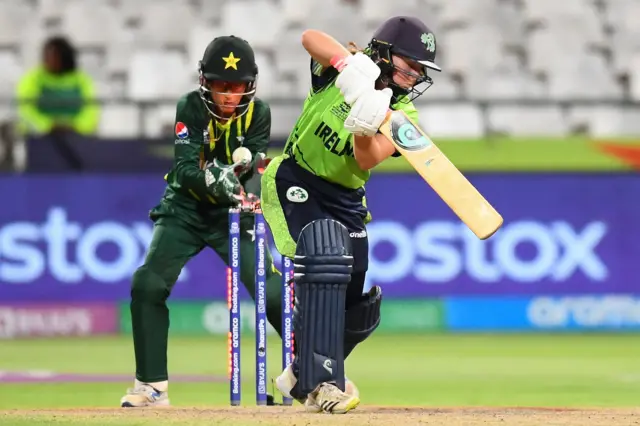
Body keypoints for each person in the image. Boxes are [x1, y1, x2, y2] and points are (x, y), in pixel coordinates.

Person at [260, 16, 441, 414]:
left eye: (419, 72)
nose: (413, 78)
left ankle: (300, 371)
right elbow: (309, 37)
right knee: (326, 265)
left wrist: (365, 122)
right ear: (384, 54)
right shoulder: (347, 70)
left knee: (357, 303)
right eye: (409, 67)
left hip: (346, 199)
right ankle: (324, 382)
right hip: (298, 178)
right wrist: (349, 68)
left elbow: (365, 157)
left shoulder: (402, 114)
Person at [120, 35, 281, 408]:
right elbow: (186, 170)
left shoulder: (260, 113)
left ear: (250, 85)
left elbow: (253, 169)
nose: (228, 96)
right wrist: (220, 179)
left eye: (236, 86)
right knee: (147, 283)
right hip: (186, 210)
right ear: (204, 83)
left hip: (233, 213)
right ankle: (151, 386)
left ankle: (312, 374)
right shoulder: (189, 108)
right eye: (220, 86)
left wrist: (243, 188)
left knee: (271, 291)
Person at [16, 36, 99, 137]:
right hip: (37, 140)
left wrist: (75, 127)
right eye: (46, 55)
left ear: (66, 57)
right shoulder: (32, 78)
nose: (48, 60)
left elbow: (91, 112)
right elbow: (25, 110)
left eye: (54, 56)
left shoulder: (82, 80)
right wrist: (48, 126)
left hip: (76, 139)